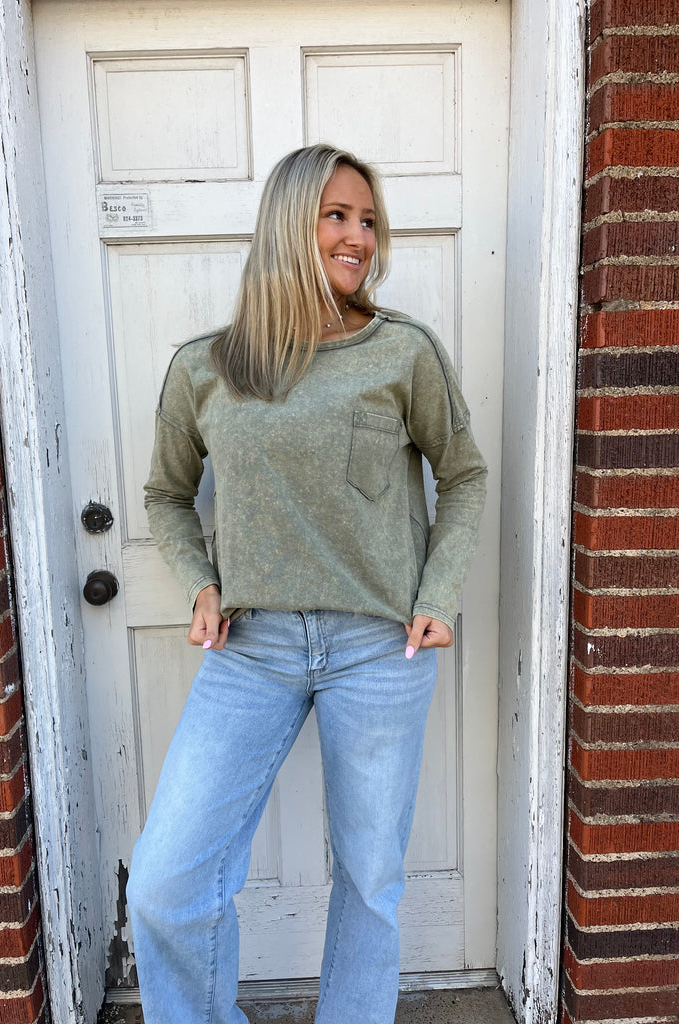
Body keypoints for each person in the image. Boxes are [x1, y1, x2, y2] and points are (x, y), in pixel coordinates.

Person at [127, 143, 487, 1024]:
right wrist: (199, 583)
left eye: (367, 220)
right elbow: (167, 495)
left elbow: (465, 474)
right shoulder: (207, 367)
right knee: (167, 882)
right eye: (336, 215)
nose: (358, 236)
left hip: (380, 648)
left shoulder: (402, 351)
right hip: (252, 649)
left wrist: (439, 594)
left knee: (369, 881)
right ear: (290, 224)